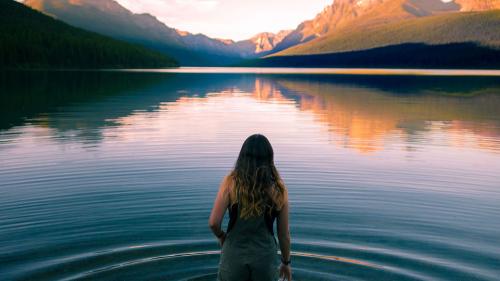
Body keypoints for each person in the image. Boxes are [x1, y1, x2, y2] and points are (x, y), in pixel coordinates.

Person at [209, 134, 292, 281]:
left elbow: (213, 223)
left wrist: (222, 237)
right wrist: (286, 262)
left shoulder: (230, 183)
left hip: (233, 255)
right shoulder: (279, 190)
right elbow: (283, 235)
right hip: (265, 258)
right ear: (269, 159)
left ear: (242, 157)